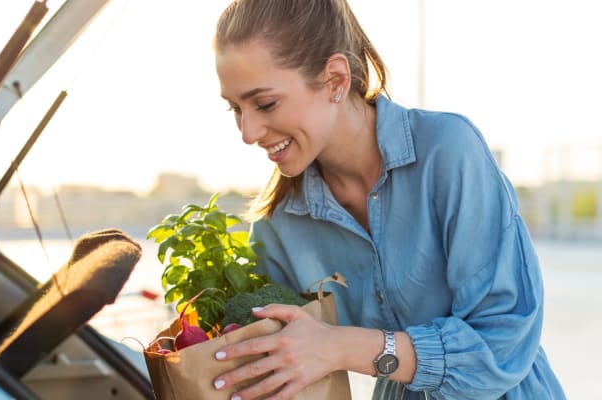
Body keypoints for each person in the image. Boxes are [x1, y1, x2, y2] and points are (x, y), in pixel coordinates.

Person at [210, 0, 566, 399]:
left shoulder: (448, 152)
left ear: (335, 80)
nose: (248, 131)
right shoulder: (277, 226)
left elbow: (501, 345)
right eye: (235, 109)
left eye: (265, 104)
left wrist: (340, 345)